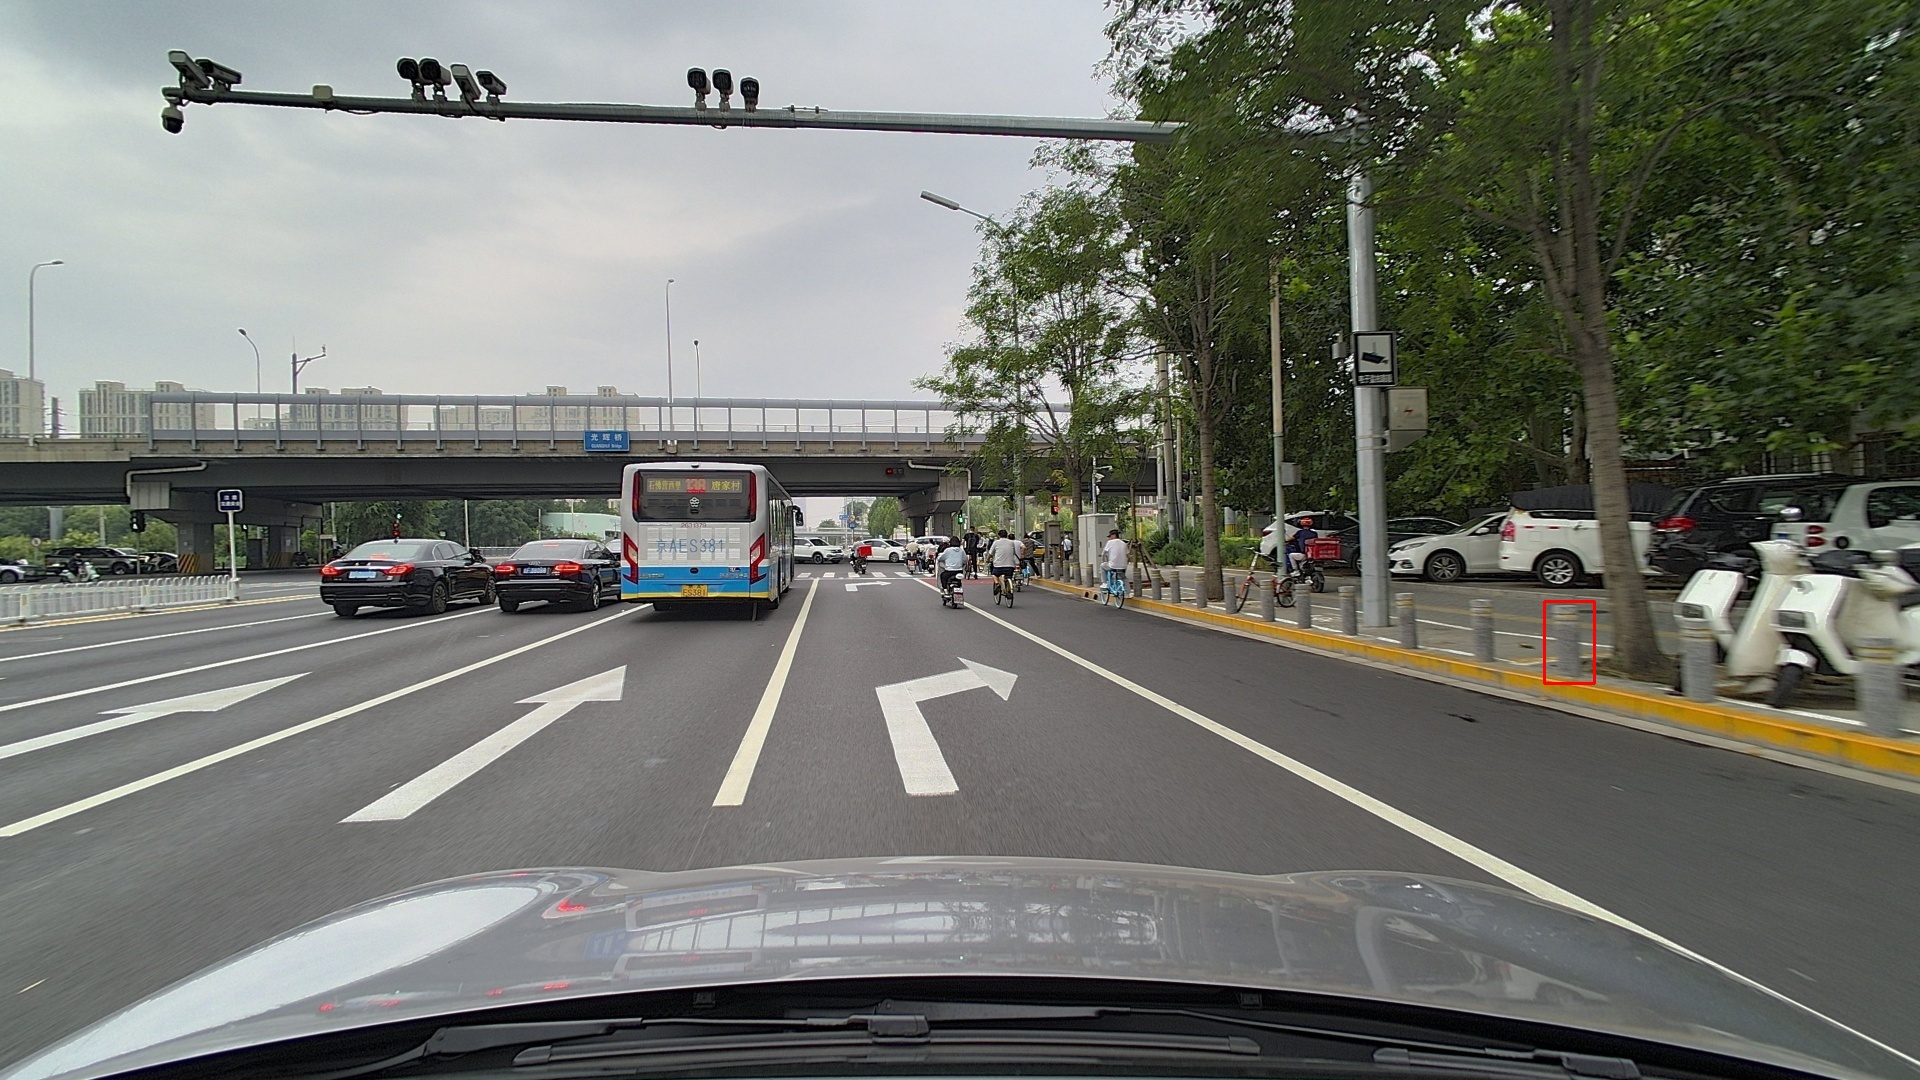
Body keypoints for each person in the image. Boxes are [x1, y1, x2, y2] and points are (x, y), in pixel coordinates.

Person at [988, 529, 1022, 597]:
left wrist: (987, 559)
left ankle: (997, 583)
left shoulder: (996, 542)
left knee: (994, 574)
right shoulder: (1011, 542)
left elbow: (990, 553)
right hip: (1010, 565)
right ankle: (1008, 590)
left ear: (999, 535)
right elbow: (1014, 552)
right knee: (1008, 577)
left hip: (998, 565)